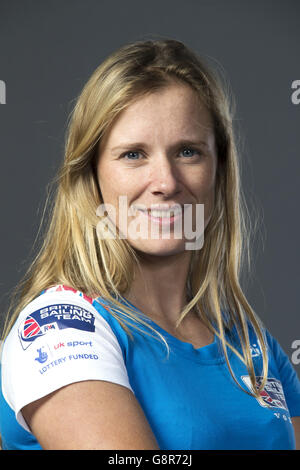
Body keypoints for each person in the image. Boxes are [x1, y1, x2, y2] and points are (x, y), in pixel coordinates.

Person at [0, 38, 300, 451]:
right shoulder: (63, 326)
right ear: (92, 175)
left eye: (188, 152)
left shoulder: (250, 342)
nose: (166, 182)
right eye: (133, 154)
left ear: (218, 171)